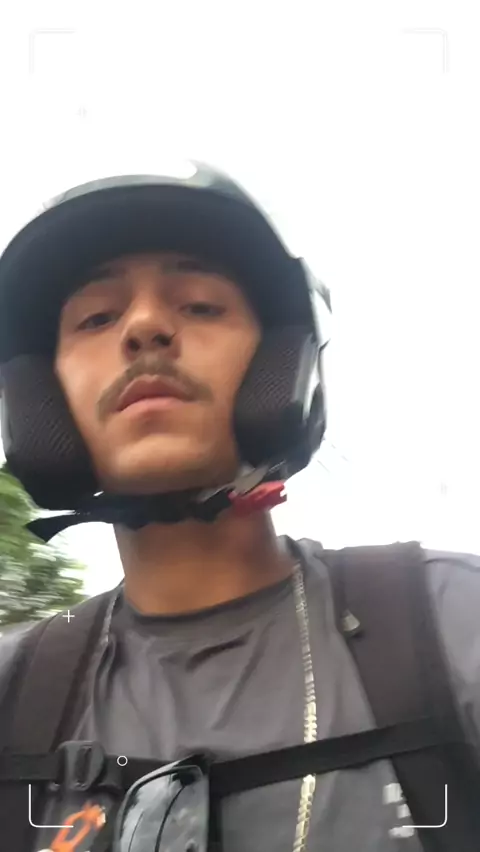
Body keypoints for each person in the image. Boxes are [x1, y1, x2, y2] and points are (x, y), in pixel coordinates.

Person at [0, 161, 479, 852]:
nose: (144, 327)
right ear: (42, 399)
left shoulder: (455, 625)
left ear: (282, 365)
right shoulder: (14, 692)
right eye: (97, 318)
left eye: (200, 305)